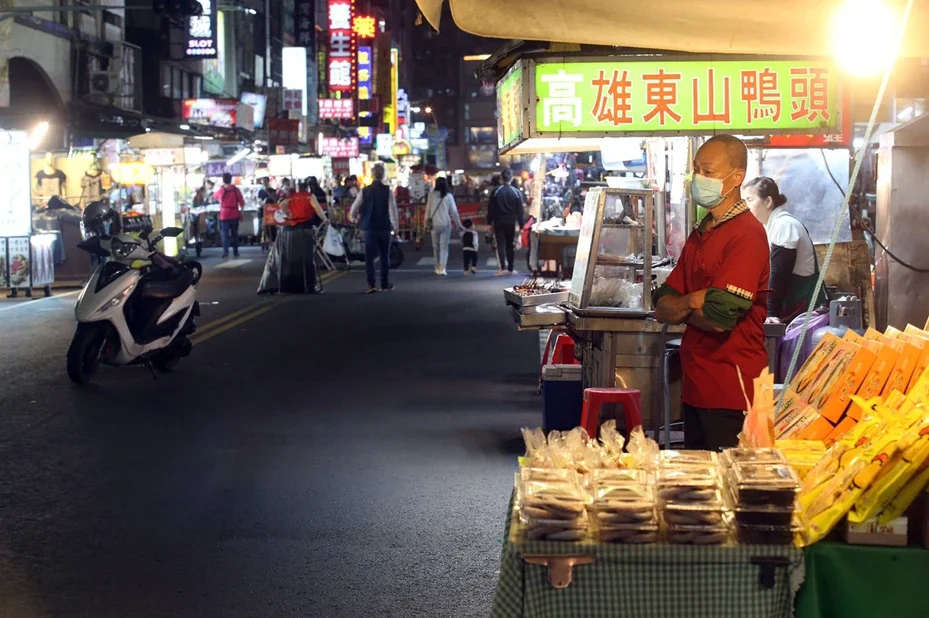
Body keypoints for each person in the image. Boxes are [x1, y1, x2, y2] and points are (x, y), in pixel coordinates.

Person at [654, 135, 770, 451]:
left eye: (707, 170)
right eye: (696, 169)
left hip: (734, 392)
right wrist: (693, 300)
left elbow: (719, 318)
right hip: (696, 387)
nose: (698, 178)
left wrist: (683, 308)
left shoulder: (746, 236)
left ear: (736, 178)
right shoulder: (703, 231)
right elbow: (661, 302)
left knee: (730, 487)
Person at [745, 176, 826, 323]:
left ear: (768, 202)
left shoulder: (785, 225)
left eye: (749, 200)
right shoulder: (769, 226)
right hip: (790, 307)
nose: (745, 206)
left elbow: (778, 274)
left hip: (804, 312)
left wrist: (770, 313)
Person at [350, 163, 399, 294]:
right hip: (384, 227)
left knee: (369, 257)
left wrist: (354, 219)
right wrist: (396, 226)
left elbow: (354, 208)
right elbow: (392, 210)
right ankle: (384, 283)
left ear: (372, 175)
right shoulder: (388, 191)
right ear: (383, 175)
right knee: (384, 256)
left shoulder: (364, 191)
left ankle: (371, 284)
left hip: (369, 228)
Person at [487, 168, 525, 276]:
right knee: (510, 245)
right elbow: (520, 211)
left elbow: (491, 208)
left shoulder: (496, 191)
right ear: (511, 178)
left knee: (500, 244)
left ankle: (502, 268)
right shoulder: (516, 192)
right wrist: (521, 225)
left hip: (498, 222)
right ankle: (511, 269)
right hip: (511, 222)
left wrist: (489, 223)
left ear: (501, 178)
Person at [425, 176, 463, 276]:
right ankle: (442, 268)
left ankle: (437, 266)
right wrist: (458, 224)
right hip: (445, 224)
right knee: (444, 247)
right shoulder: (449, 196)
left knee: (435, 247)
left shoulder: (431, 195)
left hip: (434, 224)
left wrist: (425, 222)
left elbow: (428, 210)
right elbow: (454, 212)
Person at [213, 173, 244, 258]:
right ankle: (236, 251)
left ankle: (225, 252)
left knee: (225, 235)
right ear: (231, 179)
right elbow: (242, 202)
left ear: (223, 180)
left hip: (224, 215)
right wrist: (242, 211)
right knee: (235, 234)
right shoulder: (236, 190)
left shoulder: (221, 190)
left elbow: (214, 196)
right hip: (234, 214)